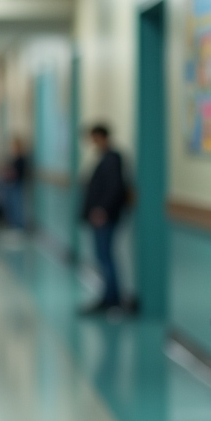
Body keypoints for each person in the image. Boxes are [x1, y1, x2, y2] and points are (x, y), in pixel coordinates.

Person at [80, 124, 129, 314]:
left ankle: (112, 299)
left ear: (102, 137)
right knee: (103, 257)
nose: (92, 143)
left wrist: (102, 209)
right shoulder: (106, 158)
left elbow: (114, 188)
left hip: (105, 218)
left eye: (94, 138)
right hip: (103, 217)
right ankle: (107, 296)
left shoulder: (112, 159)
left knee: (106, 257)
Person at [0, 136, 31, 230]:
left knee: (17, 205)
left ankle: (19, 225)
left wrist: (12, 173)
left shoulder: (21, 158)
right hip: (11, 184)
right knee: (12, 205)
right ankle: (13, 224)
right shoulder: (13, 158)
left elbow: (20, 172)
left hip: (17, 184)